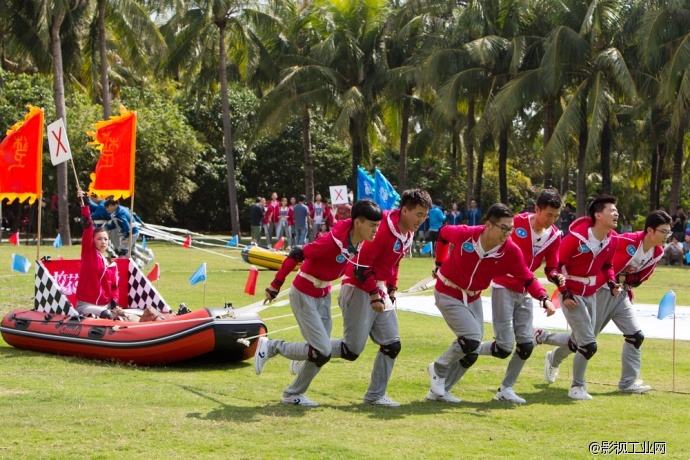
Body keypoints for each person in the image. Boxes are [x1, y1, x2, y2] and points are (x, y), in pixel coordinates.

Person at [254, 199, 383, 407]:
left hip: (324, 294)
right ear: (357, 223)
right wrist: (275, 285)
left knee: (319, 352)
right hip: (304, 292)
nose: (376, 230)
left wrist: (376, 293)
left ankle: (292, 394)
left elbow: (357, 268)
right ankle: (272, 347)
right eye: (372, 225)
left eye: (378, 225)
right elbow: (296, 253)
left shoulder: (358, 241)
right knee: (321, 351)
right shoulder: (332, 243)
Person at [426, 203, 553, 403]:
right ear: (488, 225)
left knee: (472, 349)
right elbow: (442, 233)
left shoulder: (510, 251)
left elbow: (527, 278)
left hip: (473, 296)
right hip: (448, 291)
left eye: (510, 229)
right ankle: (438, 368)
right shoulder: (466, 234)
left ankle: (439, 392)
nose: (507, 233)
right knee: (471, 338)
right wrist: (439, 262)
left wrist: (544, 298)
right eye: (503, 228)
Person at [536, 210, 672, 394]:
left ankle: (627, 383)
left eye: (668, 232)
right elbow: (602, 256)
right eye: (663, 231)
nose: (666, 236)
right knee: (583, 342)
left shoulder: (657, 253)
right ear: (650, 230)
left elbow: (640, 278)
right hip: (600, 292)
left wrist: (622, 279)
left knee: (636, 336)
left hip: (621, 295)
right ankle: (549, 349)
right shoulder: (628, 240)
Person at [334, 189, 432, 406]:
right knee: (351, 351)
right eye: (418, 214)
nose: (422, 220)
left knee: (392, 345)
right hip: (359, 287)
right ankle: (307, 352)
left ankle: (375, 396)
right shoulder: (382, 228)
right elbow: (361, 267)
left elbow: (394, 263)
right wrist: (374, 296)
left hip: (379, 289)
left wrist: (392, 290)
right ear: (404, 210)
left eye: (425, 216)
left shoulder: (407, 232)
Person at [484, 189, 563, 404]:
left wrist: (556, 276)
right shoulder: (515, 223)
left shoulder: (555, 235)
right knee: (503, 346)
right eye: (548, 214)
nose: (552, 220)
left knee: (526, 344)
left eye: (556, 216)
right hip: (503, 286)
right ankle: (465, 349)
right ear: (537, 209)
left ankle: (505, 389)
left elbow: (552, 266)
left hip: (527, 290)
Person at [546, 195, 621, 400]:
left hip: (592, 293)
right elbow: (555, 266)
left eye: (616, 210)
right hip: (572, 294)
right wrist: (564, 293)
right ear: (598, 215)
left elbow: (607, 266)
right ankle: (577, 387)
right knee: (588, 344)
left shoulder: (612, 239)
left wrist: (613, 283)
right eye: (611, 210)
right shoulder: (574, 238)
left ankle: (543, 339)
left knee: (580, 340)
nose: (616, 214)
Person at [75, 190, 123, 320]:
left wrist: (114, 300)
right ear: (93, 240)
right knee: (107, 315)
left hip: (106, 305)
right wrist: (85, 206)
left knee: (121, 317)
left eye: (106, 239)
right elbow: (88, 229)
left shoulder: (111, 264)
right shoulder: (89, 253)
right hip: (86, 305)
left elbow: (114, 287)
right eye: (99, 239)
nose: (103, 242)